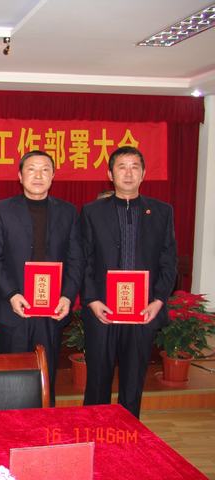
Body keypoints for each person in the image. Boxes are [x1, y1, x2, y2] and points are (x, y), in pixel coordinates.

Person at [81, 146, 177, 418]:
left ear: (143, 174)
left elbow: (168, 261)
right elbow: (83, 260)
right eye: (121, 167)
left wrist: (158, 300)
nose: (128, 173)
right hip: (103, 310)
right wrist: (92, 300)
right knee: (97, 381)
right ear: (110, 174)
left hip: (143, 311)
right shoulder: (92, 212)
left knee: (133, 383)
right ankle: (94, 431)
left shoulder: (161, 212)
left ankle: (128, 436)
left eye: (135, 167)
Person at [0, 150, 84, 404]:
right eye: (31, 169)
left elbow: (76, 259)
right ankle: (11, 424)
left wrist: (67, 296)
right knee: (12, 377)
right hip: (13, 307)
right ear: (20, 176)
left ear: (53, 176)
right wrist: (12, 294)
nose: (38, 175)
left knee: (46, 377)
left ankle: (44, 423)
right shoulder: (1, 210)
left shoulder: (68, 212)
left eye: (44, 170)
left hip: (52, 309)